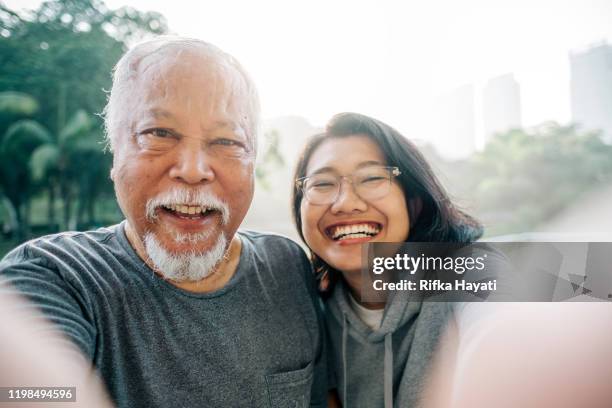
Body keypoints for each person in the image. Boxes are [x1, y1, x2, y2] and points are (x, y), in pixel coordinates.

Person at [0, 37, 326, 408]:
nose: (192, 170)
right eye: (158, 134)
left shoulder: (287, 268)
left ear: (254, 162)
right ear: (115, 152)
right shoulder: (53, 276)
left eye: (227, 141)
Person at [291, 112, 483, 407]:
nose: (345, 203)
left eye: (371, 178)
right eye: (323, 184)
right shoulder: (310, 315)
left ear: (415, 202)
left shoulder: (469, 270)